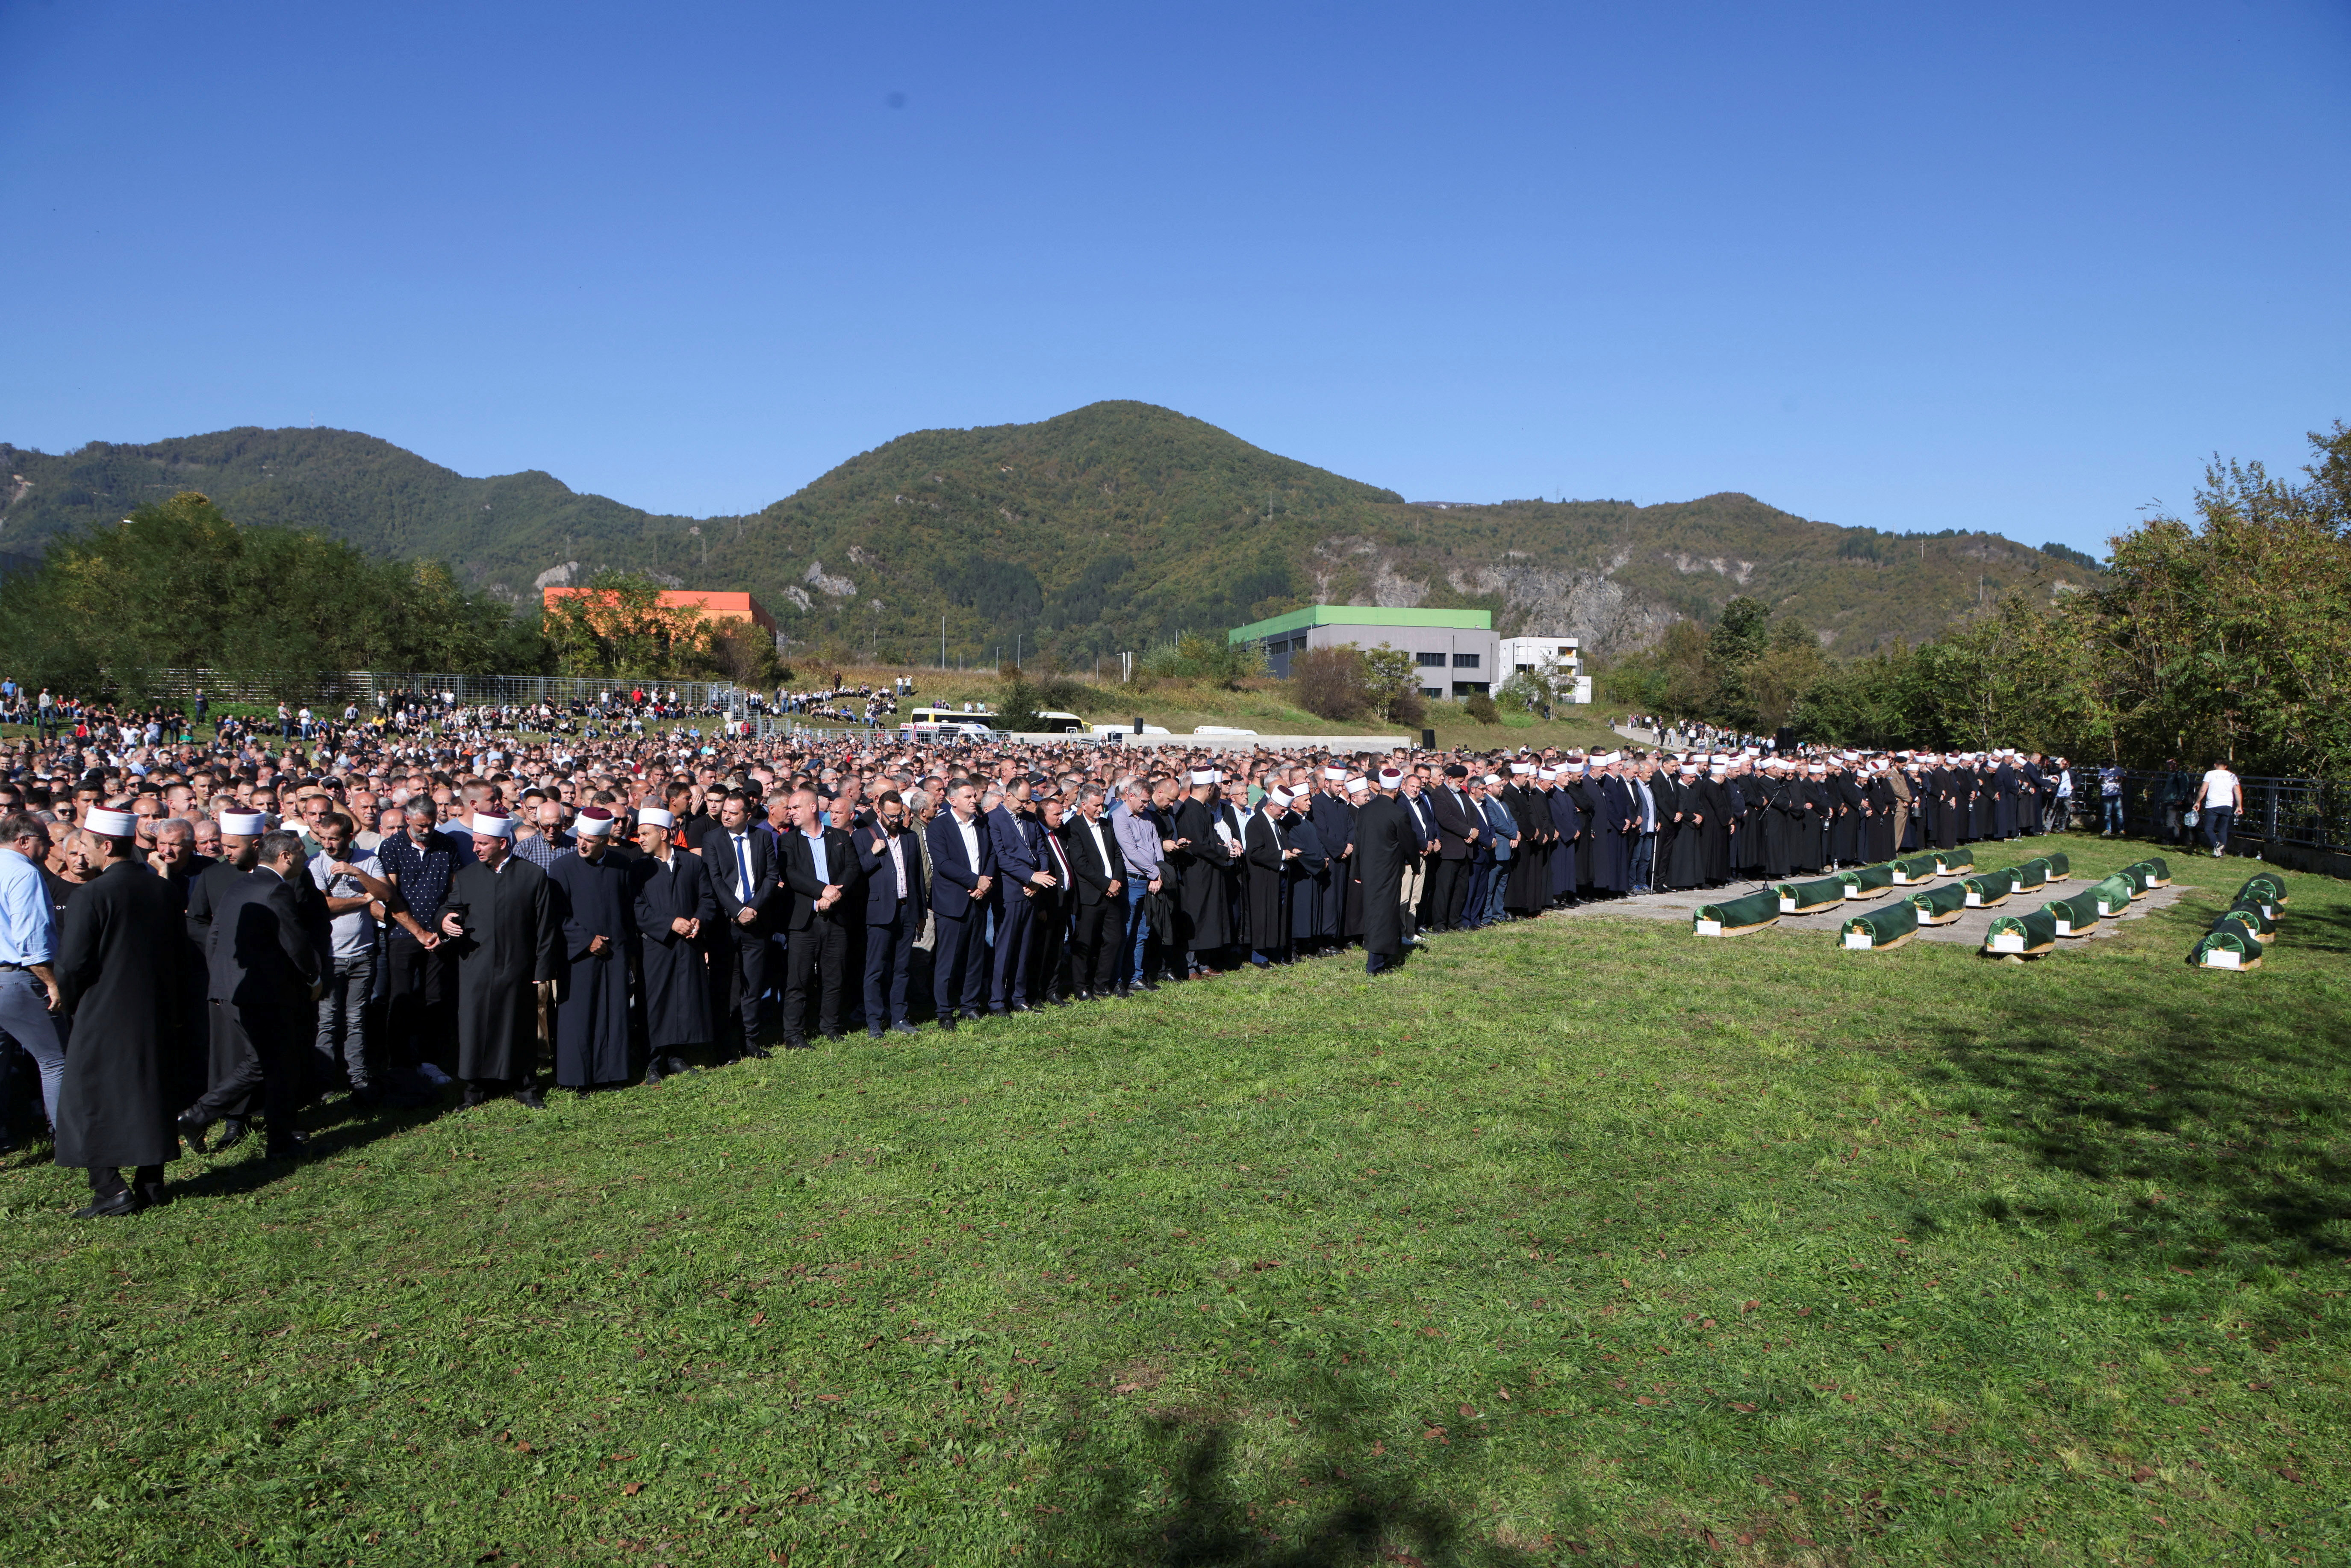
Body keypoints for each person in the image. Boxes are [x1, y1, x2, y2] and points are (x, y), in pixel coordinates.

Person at [53, 810, 189, 1214]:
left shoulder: (90, 895)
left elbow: (72, 964)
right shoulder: (162, 890)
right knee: (151, 1091)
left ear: (106, 846)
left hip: (102, 1009)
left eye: (87, 845)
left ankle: (109, 1188)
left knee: (86, 1097)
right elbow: (178, 956)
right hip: (155, 1008)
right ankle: (151, 1182)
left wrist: (72, 1001)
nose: (82, 853)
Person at [182, 828, 321, 1163]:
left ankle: (200, 1117)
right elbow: (295, 942)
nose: (305, 857)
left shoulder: (239, 885)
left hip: (232, 988)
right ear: (286, 856)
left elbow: (215, 935)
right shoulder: (277, 890)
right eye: (301, 852)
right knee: (277, 1064)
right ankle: (277, 1141)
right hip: (263, 992)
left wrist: (219, 982)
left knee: (263, 1062)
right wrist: (313, 976)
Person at [436, 813, 560, 1109]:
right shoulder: (467, 877)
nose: (476, 848)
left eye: (483, 843)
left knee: (518, 1025)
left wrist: (542, 968)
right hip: (476, 967)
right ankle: (476, 1088)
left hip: (519, 967)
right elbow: (449, 907)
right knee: (475, 1026)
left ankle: (524, 1085)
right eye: (475, 843)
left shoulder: (532, 875)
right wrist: (445, 921)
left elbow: (545, 927)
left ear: (502, 843)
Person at [545, 806, 636, 1091]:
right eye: (579, 838)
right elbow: (557, 914)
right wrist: (586, 941)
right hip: (579, 955)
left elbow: (628, 908)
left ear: (605, 840)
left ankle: (613, 1074)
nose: (582, 845)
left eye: (590, 840)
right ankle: (578, 1079)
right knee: (580, 1016)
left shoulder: (622, 865)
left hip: (616, 953)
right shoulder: (562, 867)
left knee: (614, 1012)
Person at [629, 807, 718, 1083]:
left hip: (687, 946)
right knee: (655, 1003)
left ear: (663, 833)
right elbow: (637, 909)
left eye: (645, 834)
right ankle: (653, 1062)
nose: (640, 839)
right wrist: (670, 923)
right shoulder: (639, 869)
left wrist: (699, 920)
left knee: (683, 1000)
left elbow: (708, 899)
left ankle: (676, 1056)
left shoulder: (692, 863)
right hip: (656, 947)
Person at [0, 812, 68, 1152]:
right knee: (55, 1059)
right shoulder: (23, 873)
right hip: (14, 979)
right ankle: (66, 1136)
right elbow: (32, 939)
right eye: (45, 839)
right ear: (24, 841)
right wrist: (52, 983)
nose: (52, 845)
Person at [700, 792, 778, 1059]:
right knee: (724, 985)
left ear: (748, 814)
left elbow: (771, 876)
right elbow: (716, 879)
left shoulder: (762, 837)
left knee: (753, 984)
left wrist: (753, 908)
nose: (726, 816)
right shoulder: (713, 839)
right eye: (724, 811)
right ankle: (724, 1044)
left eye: (733, 813)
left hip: (756, 922)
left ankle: (751, 1040)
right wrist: (737, 910)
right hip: (725, 923)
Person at [778, 787, 854, 1044]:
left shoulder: (840, 837)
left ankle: (830, 1027)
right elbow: (791, 874)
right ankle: (794, 1034)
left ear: (813, 808)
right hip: (804, 922)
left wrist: (834, 895)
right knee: (798, 979)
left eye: (796, 807)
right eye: (789, 808)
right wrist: (822, 891)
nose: (791, 812)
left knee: (833, 977)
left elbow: (852, 868)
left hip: (836, 919)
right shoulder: (788, 840)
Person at [923, 779, 995, 1029]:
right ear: (953, 801)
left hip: (979, 899)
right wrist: (976, 881)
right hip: (953, 903)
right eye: (967, 797)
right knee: (948, 960)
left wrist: (984, 883)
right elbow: (943, 864)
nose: (974, 800)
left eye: (974, 796)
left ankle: (970, 1005)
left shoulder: (982, 824)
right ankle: (944, 1011)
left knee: (975, 957)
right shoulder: (939, 826)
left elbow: (991, 855)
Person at [854, 789, 925, 1035]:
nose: (896, 820)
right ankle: (874, 1021)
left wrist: (921, 914)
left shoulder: (909, 838)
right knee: (874, 968)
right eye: (891, 816)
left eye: (899, 815)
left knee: (902, 967)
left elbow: (917, 878)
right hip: (879, 911)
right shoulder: (863, 837)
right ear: (879, 810)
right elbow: (856, 872)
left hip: (907, 911)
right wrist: (872, 853)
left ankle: (899, 1018)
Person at [1061, 786, 1125, 1000]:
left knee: (1114, 939)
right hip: (1091, 895)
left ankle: (1102, 983)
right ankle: (1080, 987)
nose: (1100, 809)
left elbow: (1117, 854)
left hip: (1112, 893)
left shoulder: (1107, 824)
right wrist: (1106, 884)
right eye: (1096, 805)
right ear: (1084, 804)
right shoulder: (1074, 827)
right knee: (1085, 943)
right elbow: (1080, 864)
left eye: (1102, 805)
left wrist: (1115, 881)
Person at [1352, 769, 1415, 976]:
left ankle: (1388, 953)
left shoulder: (1365, 810)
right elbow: (1409, 843)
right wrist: (1415, 864)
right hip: (1388, 871)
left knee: (1377, 913)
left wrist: (1357, 871)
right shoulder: (1398, 814)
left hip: (1369, 870)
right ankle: (1375, 964)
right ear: (1397, 789)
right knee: (1383, 914)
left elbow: (1358, 843)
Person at [2192, 759, 2242, 858]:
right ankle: (2220, 851)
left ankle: (2216, 843)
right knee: (2223, 829)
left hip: (2213, 804)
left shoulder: (2210, 774)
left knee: (2208, 828)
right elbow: (2238, 792)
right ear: (2226, 766)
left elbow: (2203, 789)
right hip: (2227, 804)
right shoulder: (2233, 776)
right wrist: (2239, 806)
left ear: (2215, 765)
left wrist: (2198, 801)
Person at [2099, 762, 2124, 836]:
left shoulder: (2118, 769)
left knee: (2119, 813)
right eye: (2106, 764)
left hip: (2117, 793)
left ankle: (2121, 830)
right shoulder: (2102, 771)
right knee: (2107, 813)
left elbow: (2125, 779)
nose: (2107, 765)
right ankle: (2108, 830)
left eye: (2108, 764)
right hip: (2106, 794)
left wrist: (2120, 779)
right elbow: (2098, 782)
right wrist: (2101, 779)